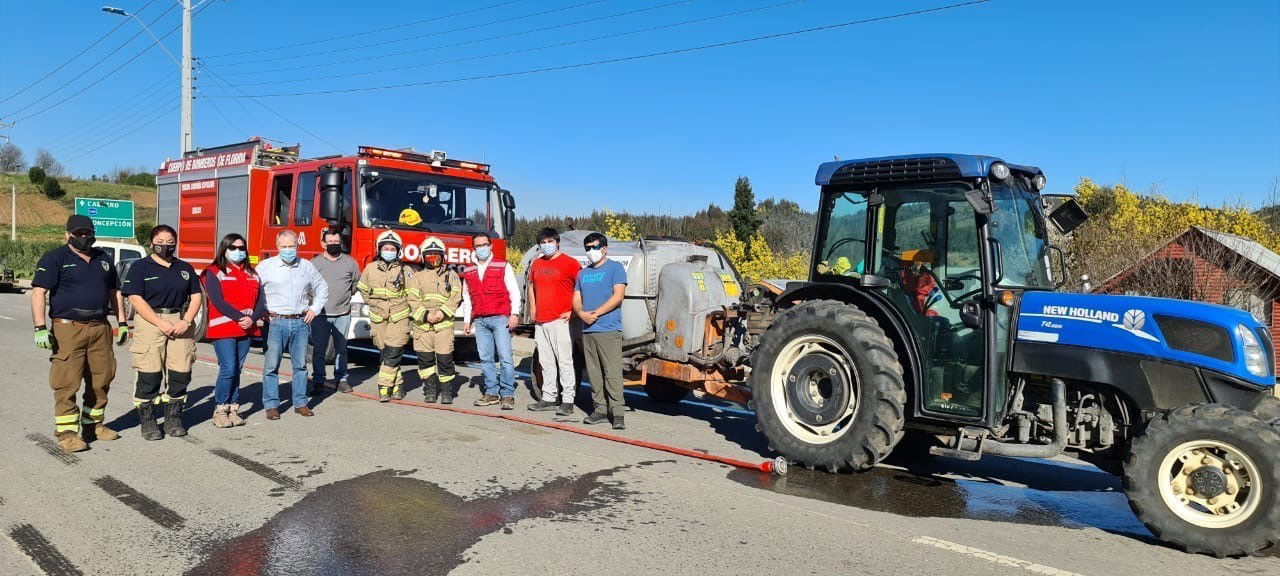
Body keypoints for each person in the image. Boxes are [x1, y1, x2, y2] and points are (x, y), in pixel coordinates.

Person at [30, 215, 129, 453]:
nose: (85, 238)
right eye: (79, 233)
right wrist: (40, 327)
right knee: (67, 381)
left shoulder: (103, 259)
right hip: (68, 328)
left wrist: (122, 322)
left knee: (101, 378)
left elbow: (114, 293)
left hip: (99, 327)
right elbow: (38, 292)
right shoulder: (55, 258)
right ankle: (67, 433)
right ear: (68, 235)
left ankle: (93, 425)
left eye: (88, 233)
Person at [121, 224, 204, 440]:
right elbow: (135, 298)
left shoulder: (184, 268)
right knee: (149, 372)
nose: (165, 247)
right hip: (151, 321)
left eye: (170, 243)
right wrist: (159, 322)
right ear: (151, 244)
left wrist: (186, 321)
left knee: (181, 372)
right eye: (160, 243)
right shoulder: (140, 267)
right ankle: (148, 420)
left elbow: (196, 296)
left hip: (180, 321)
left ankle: (173, 418)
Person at [257, 230, 328, 419]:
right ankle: (271, 405)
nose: (288, 250)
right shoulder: (265, 267)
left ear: (298, 246)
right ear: (277, 246)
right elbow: (253, 291)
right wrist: (260, 310)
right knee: (271, 366)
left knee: (300, 365)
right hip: (275, 322)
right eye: (284, 246)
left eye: (292, 246)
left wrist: (314, 309)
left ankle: (300, 403)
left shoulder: (306, 266)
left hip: (300, 322)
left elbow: (322, 288)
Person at [202, 233, 265, 428]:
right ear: (225, 249)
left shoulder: (252, 274)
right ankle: (220, 409)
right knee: (228, 368)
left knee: (237, 369)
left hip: (246, 329)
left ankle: (233, 408)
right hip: (224, 328)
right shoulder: (214, 272)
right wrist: (240, 317)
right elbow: (217, 301)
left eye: (241, 248)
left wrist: (252, 318)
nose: (238, 251)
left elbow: (261, 301)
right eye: (233, 248)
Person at [461, 232, 522, 410]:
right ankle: (491, 392)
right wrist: (467, 320)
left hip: (500, 318)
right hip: (480, 320)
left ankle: (508, 394)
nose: (481, 249)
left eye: (484, 245)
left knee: (505, 357)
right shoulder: (469, 270)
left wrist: (514, 314)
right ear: (473, 248)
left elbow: (514, 292)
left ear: (491, 246)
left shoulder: (502, 266)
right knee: (486, 358)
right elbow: (467, 297)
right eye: (478, 246)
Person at [574, 232, 628, 430]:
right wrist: (581, 313)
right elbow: (576, 298)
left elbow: (618, 296)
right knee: (594, 374)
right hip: (588, 330)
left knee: (612, 372)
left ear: (604, 248)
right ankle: (600, 410)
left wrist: (595, 313)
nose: (591, 251)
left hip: (608, 329)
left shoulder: (615, 268)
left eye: (594, 247)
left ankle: (618, 413)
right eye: (587, 248)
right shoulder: (583, 273)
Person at [526, 227, 582, 417]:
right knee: (545, 361)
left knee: (565, 361)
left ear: (557, 242)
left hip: (561, 320)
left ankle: (568, 400)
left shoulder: (570, 263)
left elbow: (581, 289)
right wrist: (533, 308)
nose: (546, 245)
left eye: (550, 242)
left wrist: (574, 311)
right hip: (541, 320)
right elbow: (531, 286)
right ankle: (549, 396)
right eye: (543, 242)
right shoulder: (537, 263)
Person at [357, 230, 413, 402]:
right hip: (378, 318)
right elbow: (364, 289)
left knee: (393, 351)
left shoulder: (406, 270)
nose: (389, 251)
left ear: (398, 251)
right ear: (379, 249)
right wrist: (375, 304)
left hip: (399, 317)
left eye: (392, 248)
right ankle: (398, 386)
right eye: (385, 248)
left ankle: (384, 386)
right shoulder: (370, 269)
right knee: (385, 352)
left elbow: (413, 294)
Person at [407, 236, 462, 404]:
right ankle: (430, 390)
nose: (433, 259)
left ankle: (446, 392)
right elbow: (412, 300)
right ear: (423, 258)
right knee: (426, 360)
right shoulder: (416, 277)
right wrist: (426, 315)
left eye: (436, 256)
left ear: (442, 257)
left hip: (443, 326)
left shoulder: (451, 275)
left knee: (445, 360)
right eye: (429, 256)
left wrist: (442, 313)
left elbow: (456, 296)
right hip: (423, 327)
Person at [310, 229, 360, 394]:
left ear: (341, 242)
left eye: (336, 242)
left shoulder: (350, 263)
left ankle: (342, 379)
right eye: (329, 242)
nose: (333, 245)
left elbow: (355, 284)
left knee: (341, 349)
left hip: (342, 315)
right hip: (320, 316)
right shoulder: (315, 263)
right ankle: (318, 380)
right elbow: (307, 287)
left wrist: (343, 298)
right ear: (323, 243)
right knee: (319, 350)